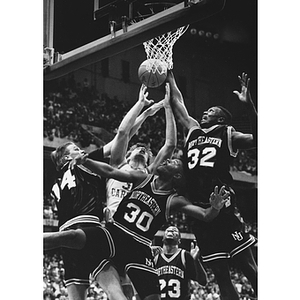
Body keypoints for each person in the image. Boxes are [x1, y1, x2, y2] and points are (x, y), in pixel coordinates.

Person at [44, 140, 230, 300]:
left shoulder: (174, 199)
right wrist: (87, 161)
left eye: (172, 162)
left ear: (177, 176)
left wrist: (215, 207)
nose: (166, 160)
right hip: (115, 232)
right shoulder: (143, 178)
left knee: (150, 296)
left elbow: (205, 215)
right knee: (72, 236)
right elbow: (109, 171)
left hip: (139, 246)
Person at [167, 71, 258, 300]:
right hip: (201, 212)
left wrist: (249, 106)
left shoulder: (227, 133)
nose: (206, 111)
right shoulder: (193, 130)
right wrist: (169, 74)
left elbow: (259, 139)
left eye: (212, 111)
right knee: (221, 275)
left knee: (248, 267)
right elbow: (178, 102)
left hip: (224, 209)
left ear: (221, 119)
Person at [45, 141, 128, 300]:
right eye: (76, 149)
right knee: (114, 291)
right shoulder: (81, 162)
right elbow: (121, 137)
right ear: (68, 157)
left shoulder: (57, 182)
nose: (81, 150)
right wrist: (142, 115)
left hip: (67, 238)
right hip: (88, 228)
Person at [153, 226, 207, 300]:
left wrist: (195, 261)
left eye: (174, 231)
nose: (171, 231)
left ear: (179, 240)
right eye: (168, 230)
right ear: (162, 238)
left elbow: (203, 281)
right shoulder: (155, 257)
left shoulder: (185, 255)